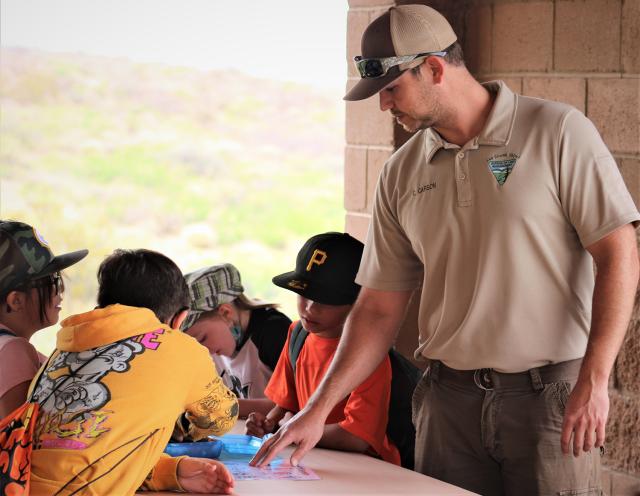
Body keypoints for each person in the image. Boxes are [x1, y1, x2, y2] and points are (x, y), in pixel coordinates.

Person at [250, 4, 640, 495]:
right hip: (446, 402)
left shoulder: (558, 131)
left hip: (549, 399)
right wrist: (316, 410)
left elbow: (618, 253)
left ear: (434, 67)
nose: (384, 106)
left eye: (391, 89)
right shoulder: (400, 171)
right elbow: (375, 308)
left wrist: (596, 380)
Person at [28, 249, 239, 495]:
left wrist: (169, 471)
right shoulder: (179, 349)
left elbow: (84, 456)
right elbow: (221, 419)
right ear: (179, 319)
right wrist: (181, 422)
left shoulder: (63, 351)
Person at [246, 232, 401, 466]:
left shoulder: (369, 355)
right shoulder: (297, 334)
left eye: (323, 300)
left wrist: (292, 428)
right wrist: (268, 424)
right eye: (303, 294)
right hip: (313, 462)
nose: (308, 308)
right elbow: (285, 405)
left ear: (357, 303)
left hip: (365, 471)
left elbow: (357, 438)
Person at [0, 220, 88, 417]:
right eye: (52, 281)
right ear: (16, 300)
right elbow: (19, 437)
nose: (60, 291)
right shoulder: (12, 351)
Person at [181, 263, 291, 419]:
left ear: (226, 313)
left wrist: (218, 406)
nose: (203, 350)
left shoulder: (274, 333)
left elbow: (290, 405)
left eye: (202, 338)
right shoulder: (217, 345)